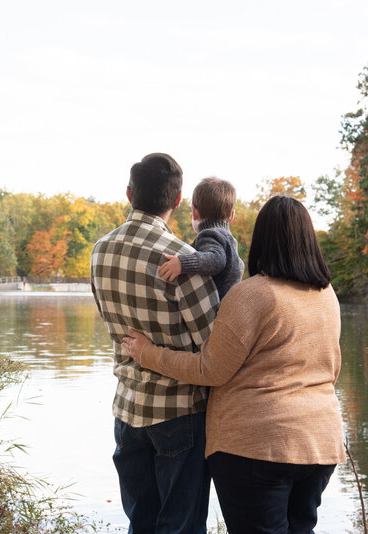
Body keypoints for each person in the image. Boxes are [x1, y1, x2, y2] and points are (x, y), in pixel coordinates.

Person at [122, 195, 345, 534]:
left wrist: (147, 353)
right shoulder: (326, 295)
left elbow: (210, 369)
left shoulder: (251, 295)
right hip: (320, 444)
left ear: (262, 239)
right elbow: (332, 368)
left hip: (256, 448)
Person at [90, 153, 220, 534]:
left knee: (141, 524)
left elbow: (110, 319)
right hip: (180, 413)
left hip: (127, 409)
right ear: (177, 200)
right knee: (182, 528)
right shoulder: (183, 259)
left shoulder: (100, 250)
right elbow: (214, 345)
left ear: (129, 193)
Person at [158, 177, 244, 300]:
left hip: (217, 308)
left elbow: (217, 260)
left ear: (194, 212)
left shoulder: (209, 235)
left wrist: (182, 263)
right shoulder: (229, 239)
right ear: (232, 216)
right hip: (231, 304)